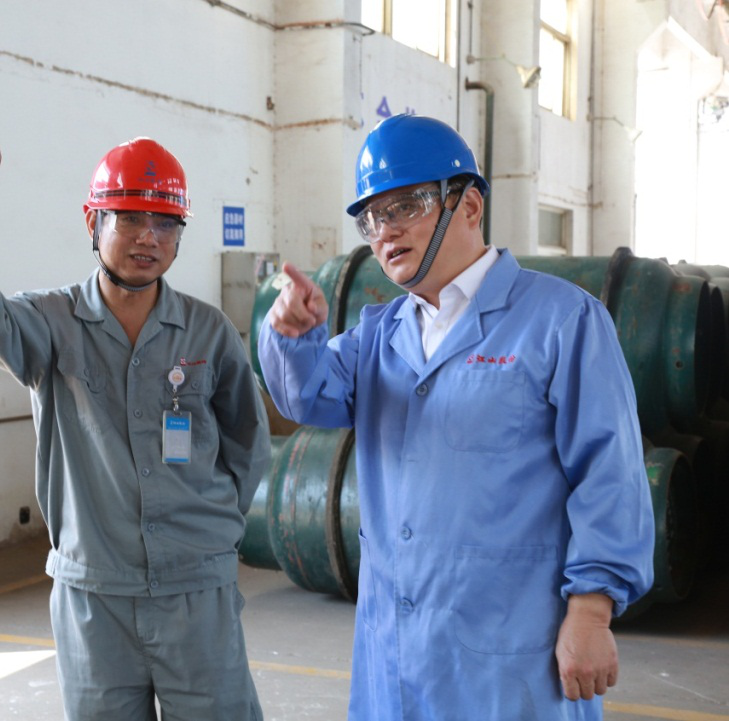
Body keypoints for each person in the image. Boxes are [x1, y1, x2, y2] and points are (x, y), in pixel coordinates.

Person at [257, 114, 655, 720]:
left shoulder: (562, 321)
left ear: (468, 204)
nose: (385, 231)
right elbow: (306, 398)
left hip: (512, 653)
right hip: (398, 654)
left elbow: (610, 473)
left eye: (405, 206)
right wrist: (291, 337)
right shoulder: (379, 335)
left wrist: (592, 612)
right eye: (372, 217)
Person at [0, 89, 271, 721]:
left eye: (165, 223)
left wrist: (210, 531)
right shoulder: (50, 322)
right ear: (93, 222)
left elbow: (247, 444)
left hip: (196, 588)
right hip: (95, 596)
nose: (148, 238)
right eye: (129, 219)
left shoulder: (209, 332)